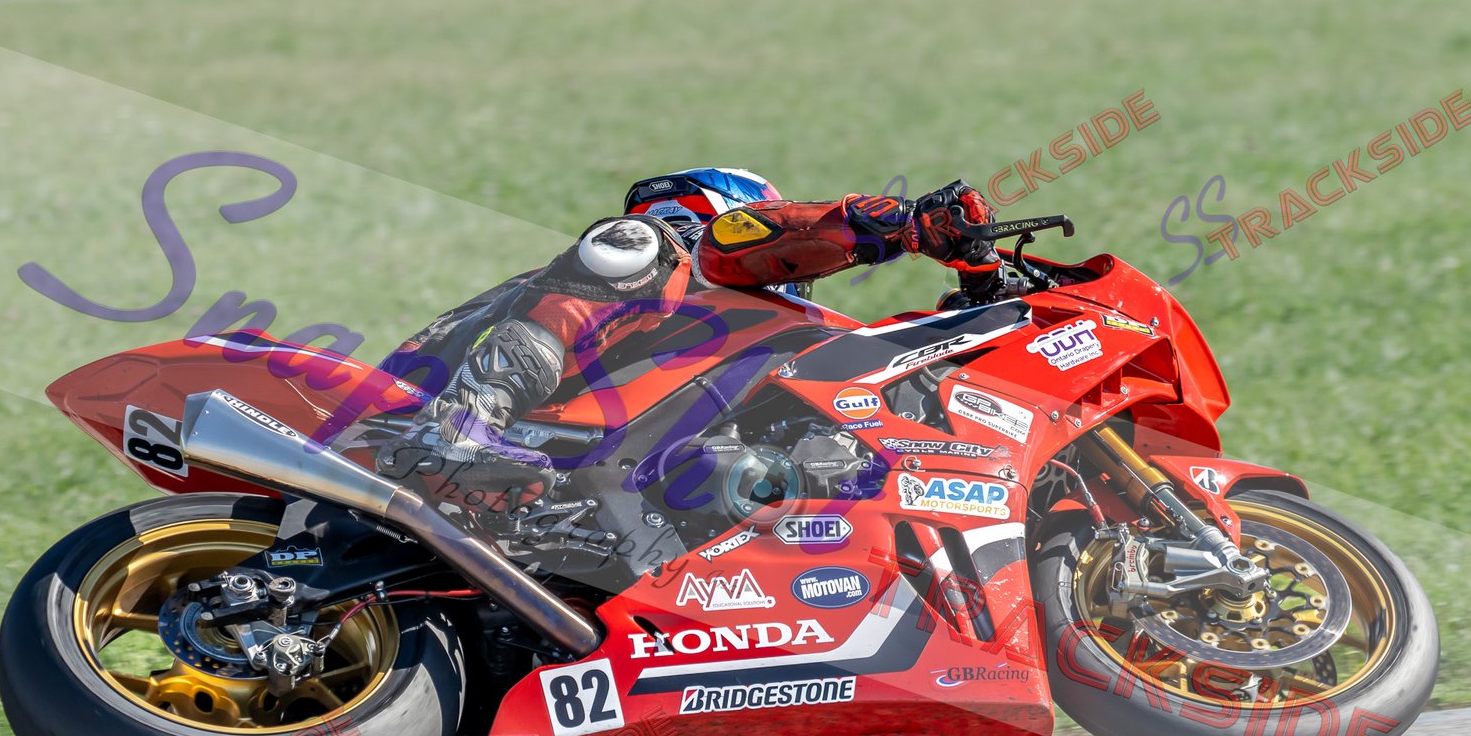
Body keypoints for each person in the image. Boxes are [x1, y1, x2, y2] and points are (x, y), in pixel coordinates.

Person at [375, 168, 1007, 495]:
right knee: (635, 249)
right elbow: (729, 247)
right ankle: (461, 425)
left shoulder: (705, 330)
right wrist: (896, 224)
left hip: (565, 481)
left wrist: (985, 301)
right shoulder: (653, 254)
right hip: (396, 423)